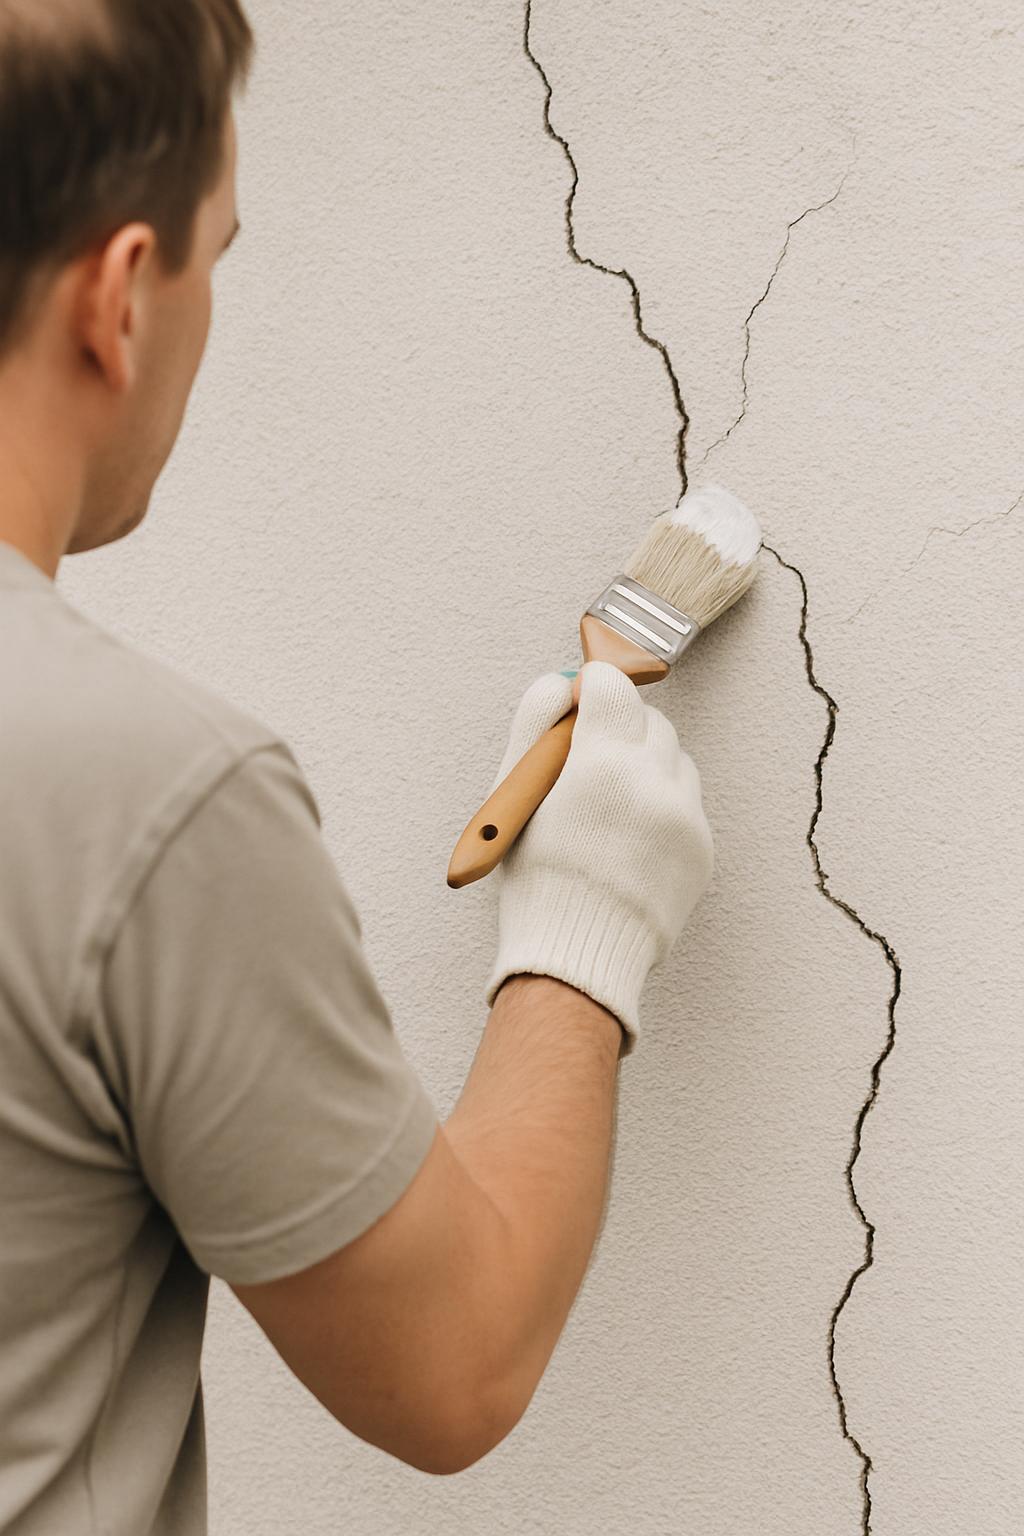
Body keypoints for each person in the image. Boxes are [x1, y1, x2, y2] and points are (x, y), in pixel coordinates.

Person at [0, 3, 716, 1533]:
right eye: (219, 252)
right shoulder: (141, 795)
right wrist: (583, 922)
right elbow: (448, 1363)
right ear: (120, 296)